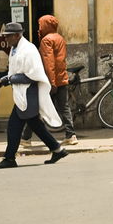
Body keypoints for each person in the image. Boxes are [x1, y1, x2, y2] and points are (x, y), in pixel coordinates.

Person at [0, 21, 68, 169]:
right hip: (22, 95)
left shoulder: (29, 50)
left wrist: (9, 80)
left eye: (8, 36)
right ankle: (57, 150)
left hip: (28, 94)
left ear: (17, 35)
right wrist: (5, 79)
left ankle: (9, 158)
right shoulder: (15, 49)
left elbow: (32, 76)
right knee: (35, 126)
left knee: (14, 126)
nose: (6, 39)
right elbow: (15, 72)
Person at [38, 14, 77, 145]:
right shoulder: (60, 38)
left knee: (40, 108)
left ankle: (25, 138)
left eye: (40, 25)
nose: (39, 28)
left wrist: (51, 82)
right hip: (62, 78)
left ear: (46, 25)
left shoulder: (46, 40)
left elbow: (49, 63)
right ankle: (71, 135)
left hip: (52, 81)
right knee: (64, 107)